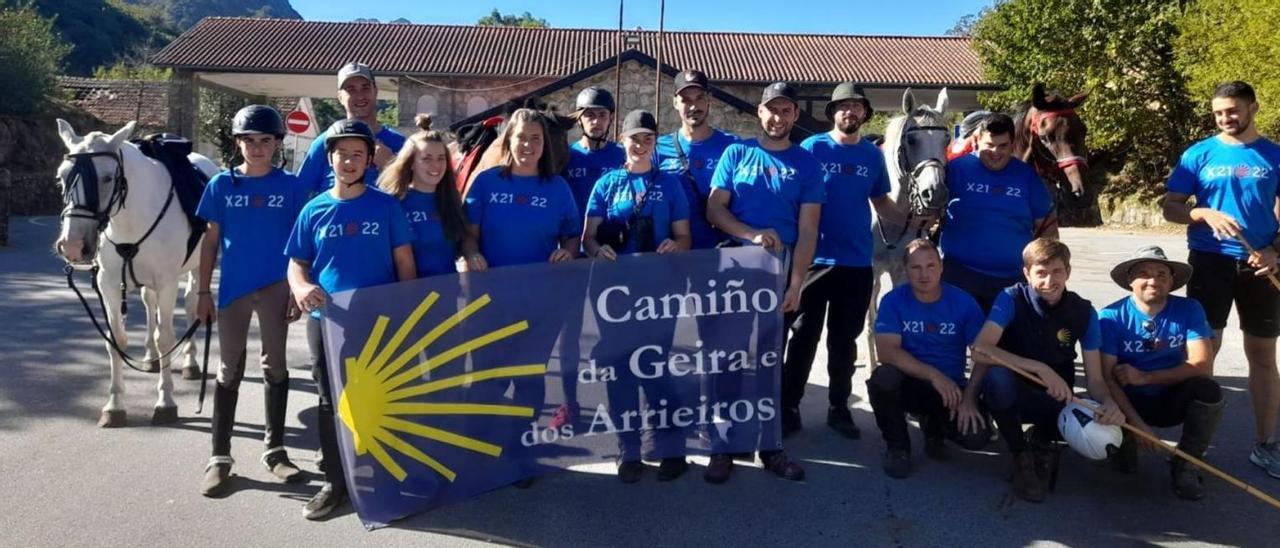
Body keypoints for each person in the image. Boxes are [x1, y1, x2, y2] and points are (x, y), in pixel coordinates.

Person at [285, 119, 416, 520]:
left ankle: (384, 481)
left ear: (368, 160)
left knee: (381, 400)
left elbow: (405, 265)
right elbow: (297, 264)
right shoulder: (313, 209)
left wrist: (404, 315)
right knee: (330, 402)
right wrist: (301, 287)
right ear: (330, 158)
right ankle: (335, 482)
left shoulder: (386, 206)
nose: (349, 160)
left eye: (358, 154)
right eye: (342, 153)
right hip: (327, 322)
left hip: (378, 324)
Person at [703, 81, 823, 484]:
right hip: (734, 265)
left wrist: (796, 283)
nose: (778, 117)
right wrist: (751, 233)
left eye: (786, 110)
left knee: (769, 362)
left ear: (794, 116)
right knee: (728, 359)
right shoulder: (736, 153)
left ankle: (770, 446)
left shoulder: (806, 164)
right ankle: (723, 446)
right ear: (760, 112)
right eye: (772, 109)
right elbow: (714, 209)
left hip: (781, 268)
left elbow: (808, 231)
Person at [1163, 81, 1280, 480]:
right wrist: (1202, 214)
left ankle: (1266, 445)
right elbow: (1172, 207)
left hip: (1260, 267)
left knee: (1263, 357)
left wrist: (1275, 251)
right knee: (1204, 354)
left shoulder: (1274, 155)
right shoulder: (1199, 153)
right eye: (1218, 113)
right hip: (1209, 264)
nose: (1225, 118)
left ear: (1253, 108)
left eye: (1232, 111)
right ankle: (1196, 448)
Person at [195, 105, 310, 497]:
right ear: (238, 142)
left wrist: (298, 288)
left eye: (265, 140)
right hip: (233, 291)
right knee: (228, 370)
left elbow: (301, 246)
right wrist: (202, 292)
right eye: (249, 140)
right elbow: (210, 242)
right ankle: (219, 458)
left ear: (277, 143)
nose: (257, 148)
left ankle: (275, 451)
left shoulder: (292, 187)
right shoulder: (222, 186)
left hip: (277, 286)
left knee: (275, 366)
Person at [462, 108, 581, 488]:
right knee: (488, 378)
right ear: (508, 141)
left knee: (529, 379)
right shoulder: (484, 183)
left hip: (539, 302)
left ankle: (521, 450)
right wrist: (471, 252)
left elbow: (572, 236)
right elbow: (468, 235)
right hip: (490, 301)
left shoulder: (558, 188)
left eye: (535, 139)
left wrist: (568, 251)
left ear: (544, 145)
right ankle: (485, 450)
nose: (528, 145)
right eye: (521, 138)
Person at [785, 82, 910, 440]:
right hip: (813, 261)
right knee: (804, 337)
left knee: (844, 342)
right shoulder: (811, 148)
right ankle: (790, 406)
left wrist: (912, 219)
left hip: (856, 263)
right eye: (843, 107)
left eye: (856, 106)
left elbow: (882, 203)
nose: (849, 112)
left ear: (865, 113)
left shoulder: (872, 156)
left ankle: (838, 407)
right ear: (833, 113)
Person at [966, 238, 1124, 503]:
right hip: (1014, 392)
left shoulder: (1084, 312)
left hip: (1058, 395)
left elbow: (1095, 379)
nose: (1050, 281)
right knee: (997, 378)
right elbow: (980, 350)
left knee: (1080, 421)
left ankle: (1042, 441)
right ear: (1027, 274)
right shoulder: (1010, 298)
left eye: (1057, 271)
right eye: (1041, 272)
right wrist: (1040, 368)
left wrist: (1108, 402)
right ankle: (1020, 455)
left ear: (1068, 272)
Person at [582, 109, 692, 483]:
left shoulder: (672, 184)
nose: (641, 145)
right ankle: (628, 450)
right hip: (615, 295)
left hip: (658, 293)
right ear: (623, 141)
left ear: (655, 141)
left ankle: (670, 447)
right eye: (634, 138)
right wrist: (598, 249)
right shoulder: (607, 184)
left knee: (656, 369)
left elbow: (685, 238)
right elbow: (588, 237)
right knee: (621, 372)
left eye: (648, 138)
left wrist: (674, 245)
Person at [1099, 246, 1223, 500]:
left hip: (1169, 398)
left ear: (1171, 281)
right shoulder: (1110, 316)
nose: (1153, 280)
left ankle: (1186, 462)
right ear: (1130, 281)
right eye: (1144, 273)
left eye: (1161, 274)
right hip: (1127, 403)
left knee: (1208, 390)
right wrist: (1137, 426)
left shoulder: (1189, 309)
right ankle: (1126, 439)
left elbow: (1202, 364)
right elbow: (1107, 379)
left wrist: (1145, 377)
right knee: (1123, 468)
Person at [867, 238, 990, 479]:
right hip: (910, 383)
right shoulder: (893, 301)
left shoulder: (964, 302)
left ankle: (935, 428)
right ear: (905, 270)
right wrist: (934, 376)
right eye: (916, 267)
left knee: (977, 438)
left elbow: (984, 355)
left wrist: (970, 397)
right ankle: (898, 445)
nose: (924, 274)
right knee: (883, 378)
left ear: (941, 267)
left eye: (931, 266)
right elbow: (887, 352)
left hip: (951, 389)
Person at [941, 113, 1056, 312]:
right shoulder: (956, 170)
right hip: (959, 275)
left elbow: (1047, 227)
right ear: (977, 141)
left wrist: (1045, 267)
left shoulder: (1027, 176)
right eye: (990, 145)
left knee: (1005, 343)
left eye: (1003, 146)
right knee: (954, 342)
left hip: (1012, 280)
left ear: (1012, 144)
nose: (996, 152)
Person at [376, 114, 474, 278]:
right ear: (411, 162)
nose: (435, 165)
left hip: (449, 294)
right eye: (426, 159)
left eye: (441, 158)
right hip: (408, 297)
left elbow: (464, 241)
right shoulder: (393, 202)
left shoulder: (452, 200)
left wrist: (472, 255)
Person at [655, 70, 739, 250]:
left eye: (699, 98)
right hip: (672, 253)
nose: (693, 106)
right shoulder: (657, 149)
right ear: (675, 102)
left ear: (709, 99)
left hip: (723, 253)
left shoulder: (733, 147)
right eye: (686, 100)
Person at [296, 62, 407, 193]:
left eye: (365, 88)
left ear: (375, 91)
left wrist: (391, 165)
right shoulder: (325, 143)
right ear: (340, 97)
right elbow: (299, 193)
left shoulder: (401, 144)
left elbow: (417, 196)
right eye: (351, 89)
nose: (360, 96)